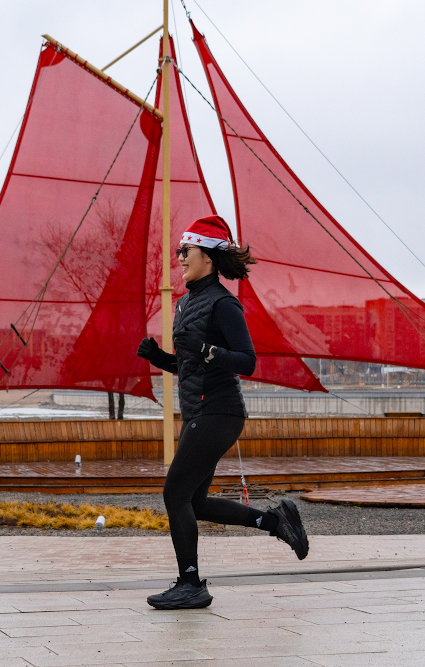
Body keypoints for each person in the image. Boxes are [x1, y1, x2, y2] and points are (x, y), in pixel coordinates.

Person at [137, 215, 309, 610]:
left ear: (209, 257)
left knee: (174, 493)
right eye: (179, 250)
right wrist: (161, 358)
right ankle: (275, 521)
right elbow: (192, 365)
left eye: (187, 250)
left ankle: (191, 584)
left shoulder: (224, 303)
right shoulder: (185, 303)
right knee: (194, 502)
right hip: (200, 411)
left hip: (219, 411)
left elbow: (246, 361)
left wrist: (205, 349)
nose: (180, 257)